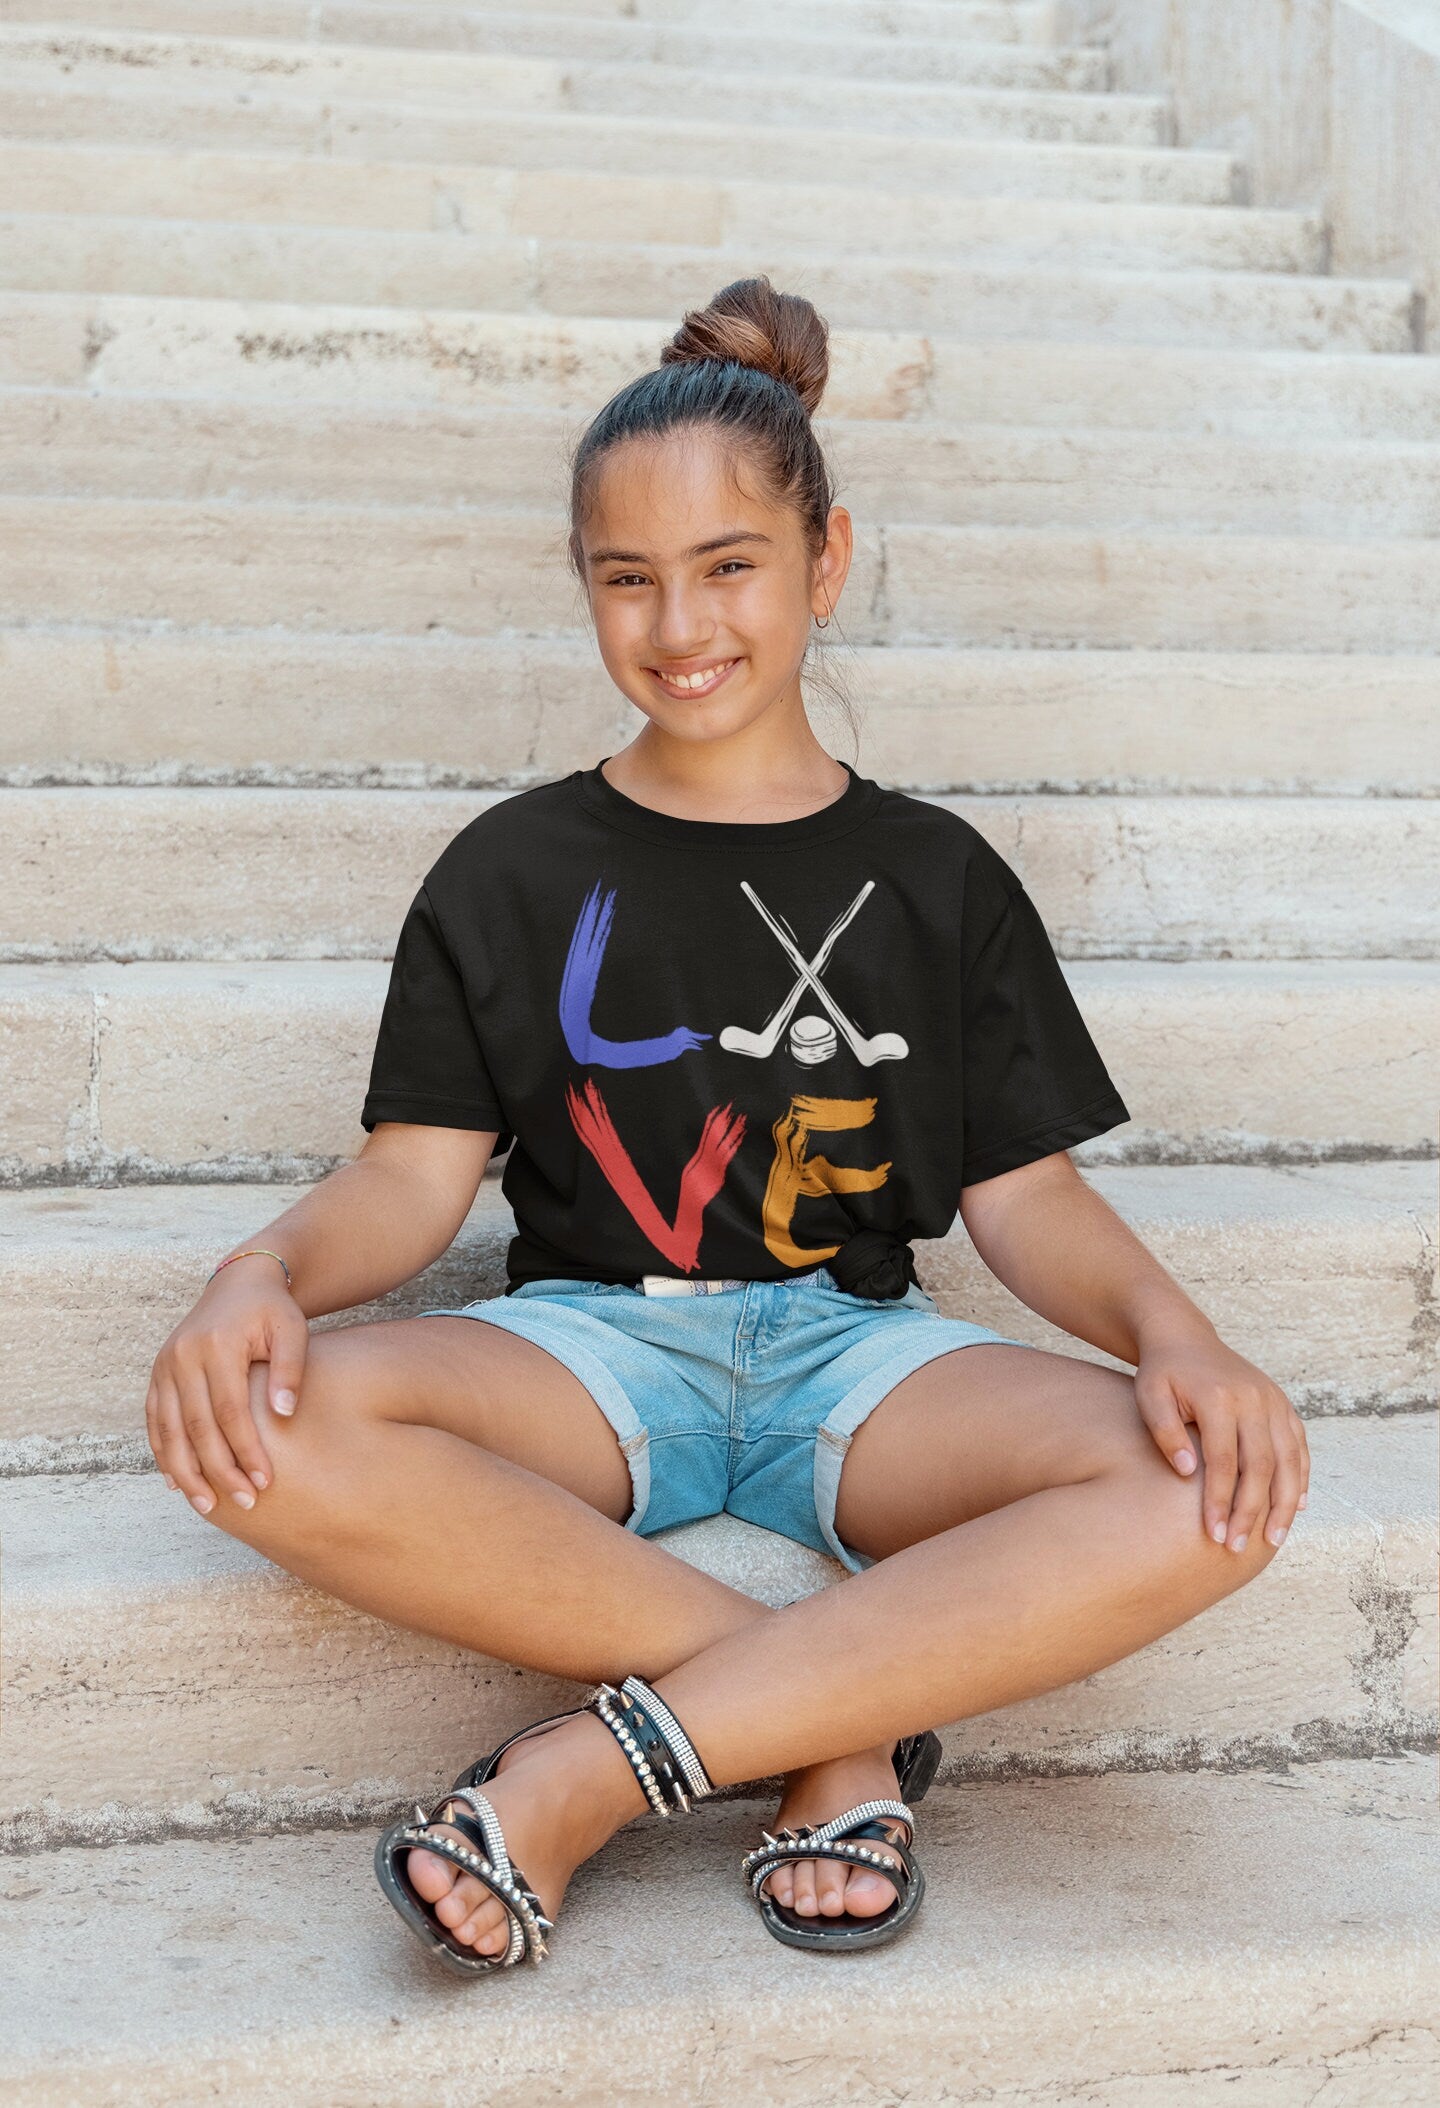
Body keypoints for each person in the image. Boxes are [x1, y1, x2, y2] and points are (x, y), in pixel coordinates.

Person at [144, 275, 1309, 1973]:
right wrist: (260, 1274)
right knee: (257, 1415)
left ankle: (603, 1764)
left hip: (858, 1362)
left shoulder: (935, 877)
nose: (680, 623)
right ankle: (838, 1726)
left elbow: (1027, 1193)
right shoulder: (513, 871)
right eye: (629, 579)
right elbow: (410, 1184)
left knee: (1209, 1484)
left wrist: (1179, 1338)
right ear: (587, 592)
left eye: (729, 566)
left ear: (825, 560)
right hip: (597, 1350)